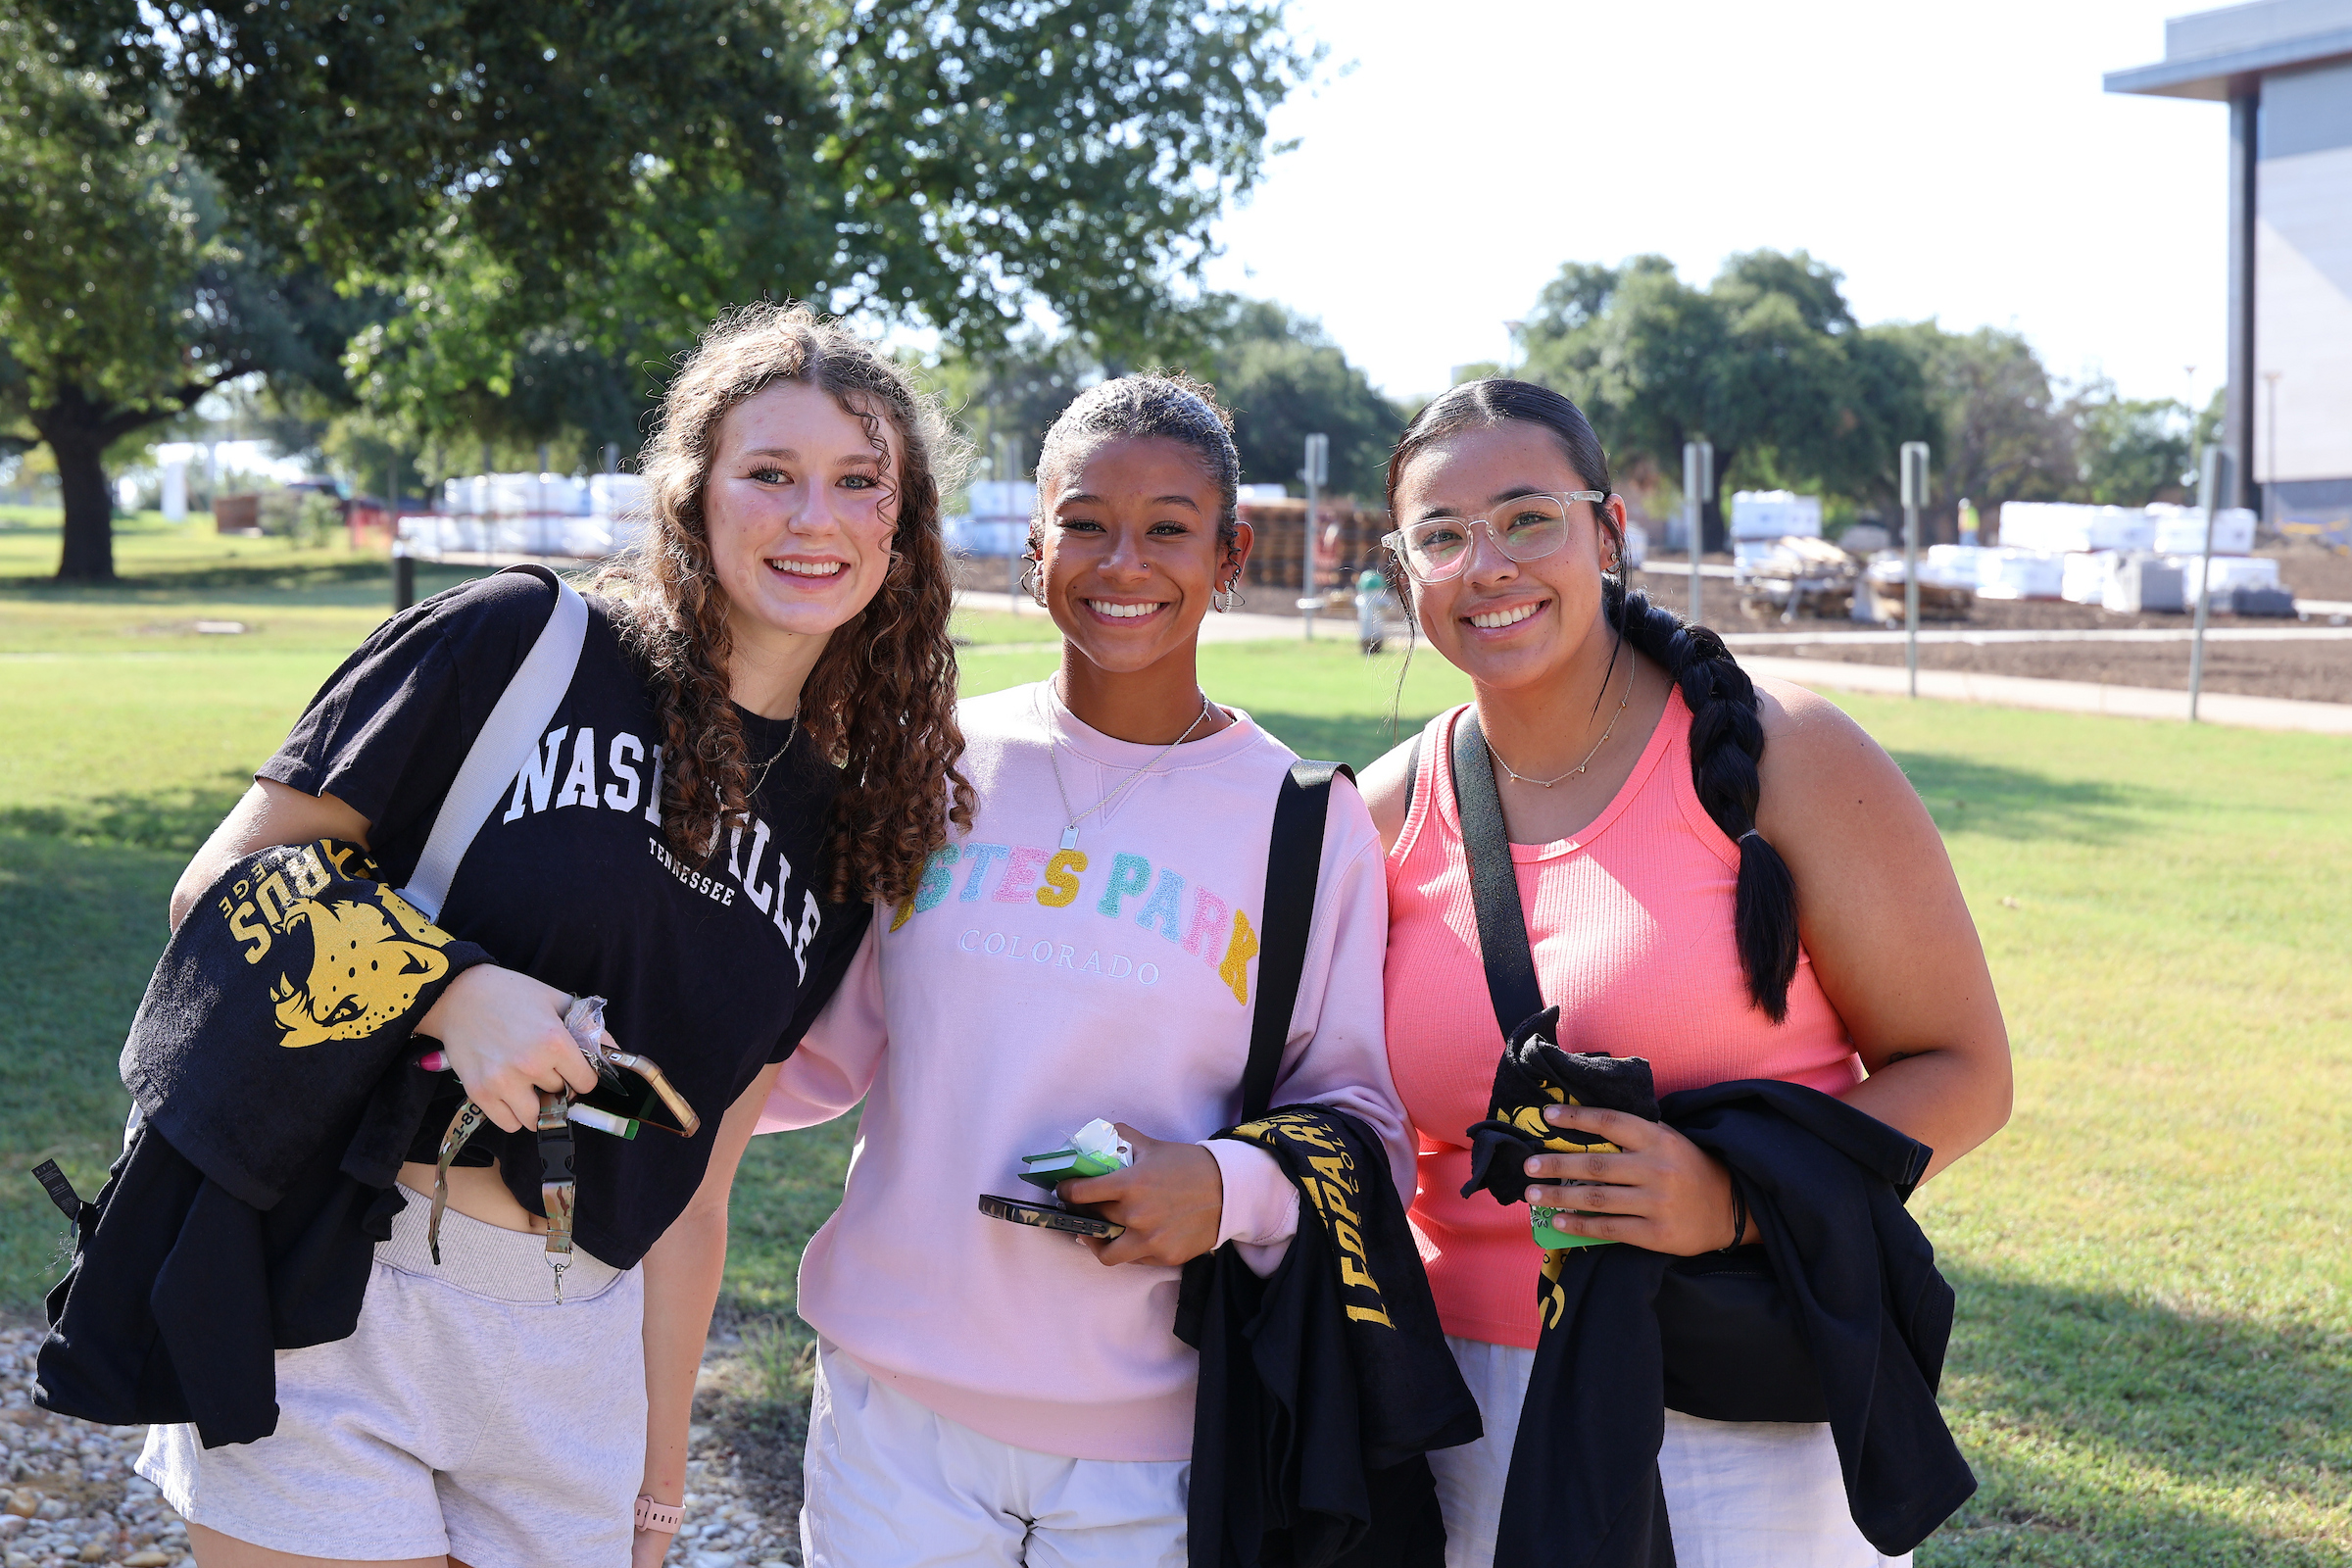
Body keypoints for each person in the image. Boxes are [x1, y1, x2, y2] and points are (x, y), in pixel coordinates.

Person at [136, 301, 971, 1568]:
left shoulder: (846, 830)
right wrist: (449, 990)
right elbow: (226, 883)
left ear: (901, 529)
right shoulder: (519, 643)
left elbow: (700, 1190)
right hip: (350, 1283)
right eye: (771, 474)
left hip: (579, 1342)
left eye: (861, 483)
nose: (817, 517)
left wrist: (658, 1476)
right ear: (692, 494)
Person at [758, 373, 1412, 1567]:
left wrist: (1219, 1185)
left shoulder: (1306, 822)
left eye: (1169, 526)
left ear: (1230, 555)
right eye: (1086, 522)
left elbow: (1368, 1126)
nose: (1124, 561)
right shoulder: (933, 761)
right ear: (1033, 543)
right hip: (895, 1421)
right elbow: (817, 1054)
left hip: (1158, 1451)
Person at [1357, 379, 2013, 1568]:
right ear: (1406, 573)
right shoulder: (1383, 810)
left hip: (1735, 1407)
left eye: (1527, 518)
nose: (1486, 565)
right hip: (1468, 1418)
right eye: (1442, 537)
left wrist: (1736, 1197)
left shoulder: (1789, 755)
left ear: (1609, 532)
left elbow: (1961, 1071)